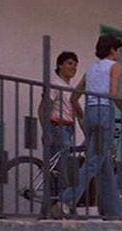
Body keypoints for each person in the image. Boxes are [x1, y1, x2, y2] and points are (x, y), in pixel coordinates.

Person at [54, 35, 122, 220]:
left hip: (91, 114)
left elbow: (74, 97)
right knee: (93, 162)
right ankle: (65, 201)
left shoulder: (91, 69)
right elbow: (114, 94)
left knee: (105, 164)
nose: (119, 54)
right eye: (119, 50)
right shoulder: (115, 67)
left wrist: (84, 120)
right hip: (104, 113)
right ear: (112, 50)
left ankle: (115, 212)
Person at [41, 51, 81, 202]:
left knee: (60, 169)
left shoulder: (68, 87)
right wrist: (46, 130)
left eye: (75, 65)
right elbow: (44, 107)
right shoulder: (56, 84)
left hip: (67, 128)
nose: (73, 68)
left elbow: (76, 113)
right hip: (58, 128)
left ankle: (55, 206)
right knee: (59, 169)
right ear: (60, 65)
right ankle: (56, 206)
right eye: (70, 63)